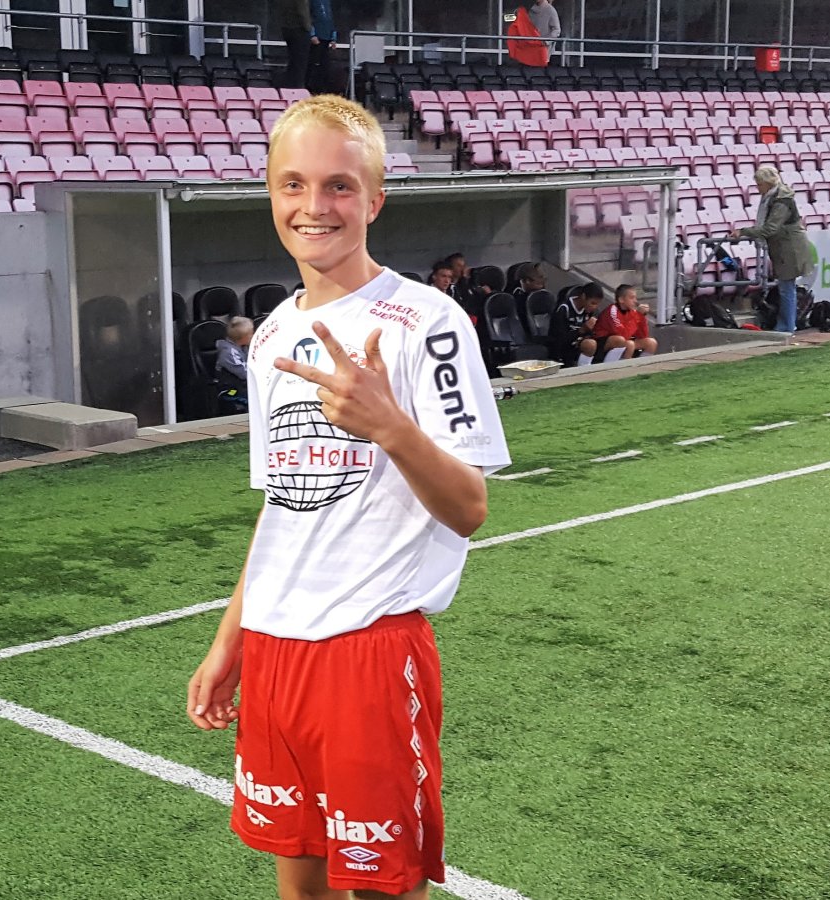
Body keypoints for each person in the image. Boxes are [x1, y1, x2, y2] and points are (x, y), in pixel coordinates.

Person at [186, 94, 510, 900]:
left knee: (381, 886)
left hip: (370, 648)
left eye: (339, 186)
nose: (314, 206)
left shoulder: (428, 322)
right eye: (293, 184)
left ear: (374, 201)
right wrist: (231, 641)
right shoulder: (271, 334)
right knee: (299, 882)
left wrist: (388, 425)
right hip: (274, 650)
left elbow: (469, 507)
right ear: (270, 194)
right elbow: (283, 507)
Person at [731, 164, 812, 333]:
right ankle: (785, 325)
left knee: (786, 288)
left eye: (760, 184)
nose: (758, 188)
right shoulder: (774, 197)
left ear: (768, 183)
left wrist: (744, 232)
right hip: (783, 246)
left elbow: (770, 228)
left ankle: (786, 326)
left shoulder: (781, 200)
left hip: (789, 247)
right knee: (786, 287)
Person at [591, 283, 657, 361]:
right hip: (602, 344)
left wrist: (642, 316)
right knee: (628, 343)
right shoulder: (612, 311)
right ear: (621, 300)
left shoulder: (632, 312)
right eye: (632, 298)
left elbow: (643, 335)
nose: (635, 301)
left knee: (651, 343)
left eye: (635, 298)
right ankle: (616, 366)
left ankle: (642, 366)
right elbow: (623, 335)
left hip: (623, 341)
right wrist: (638, 316)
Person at [216, 316, 253, 410]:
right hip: (230, 391)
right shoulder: (228, 353)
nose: (253, 335)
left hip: (243, 386)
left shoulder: (244, 347)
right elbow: (244, 373)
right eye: (251, 333)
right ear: (243, 338)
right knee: (255, 401)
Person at [278, 0, 312, 90]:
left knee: (293, 60)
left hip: (287, 28)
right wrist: (309, 28)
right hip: (299, 29)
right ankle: (297, 87)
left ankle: (289, 86)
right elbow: (303, 12)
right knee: (300, 62)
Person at [307, 0, 336, 94]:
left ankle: (322, 89)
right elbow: (308, 17)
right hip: (317, 38)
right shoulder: (312, 2)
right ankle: (310, 88)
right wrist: (312, 35)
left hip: (326, 38)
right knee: (313, 64)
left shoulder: (327, 2)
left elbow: (330, 19)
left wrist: (333, 38)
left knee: (325, 66)